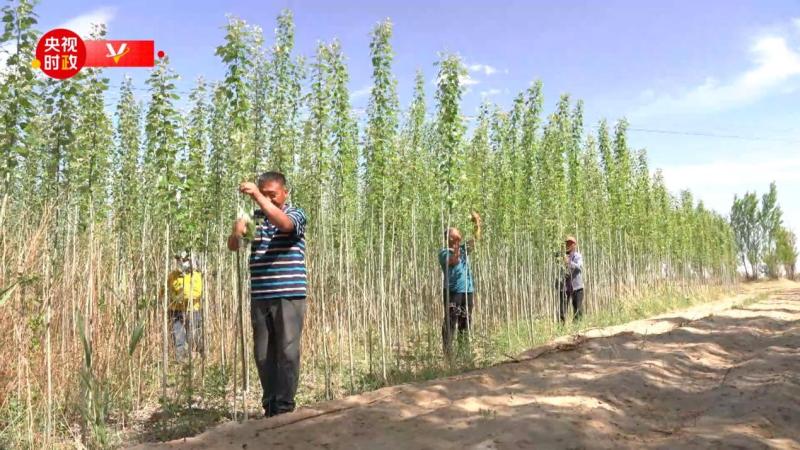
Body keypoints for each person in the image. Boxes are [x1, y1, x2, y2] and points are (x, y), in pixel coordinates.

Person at [228, 171, 308, 418]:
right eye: (264, 195)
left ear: (285, 192)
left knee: (287, 350)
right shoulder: (256, 218)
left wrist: (257, 197)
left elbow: (284, 224)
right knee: (263, 353)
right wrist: (236, 232)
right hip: (261, 294)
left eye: (272, 195)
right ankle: (270, 405)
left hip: (288, 295)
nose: (268, 200)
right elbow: (235, 246)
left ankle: (284, 406)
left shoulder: (296, 214)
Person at [439, 211, 481, 358]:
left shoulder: (462, 249)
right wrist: (457, 244)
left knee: (466, 321)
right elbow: (454, 261)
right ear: (449, 238)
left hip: (467, 291)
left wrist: (477, 223)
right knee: (451, 322)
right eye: (456, 234)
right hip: (453, 292)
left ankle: (464, 354)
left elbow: (475, 240)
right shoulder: (444, 253)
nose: (460, 235)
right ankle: (448, 356)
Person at [165, 251, 204, 361]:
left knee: (194, 336)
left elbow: (197, 292)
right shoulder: (172, 276)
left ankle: (199, 359)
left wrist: (183, 295)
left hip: (193, 310)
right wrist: (170, 295)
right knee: (178, 338)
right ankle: (180, 361)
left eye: (184, 260)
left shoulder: (195, 275)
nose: (181, 262)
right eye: (178, 259)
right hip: (175, 311)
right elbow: (164, 290)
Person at [559, 236, 584, 323]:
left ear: (574, 245)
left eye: (570, 243)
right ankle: (561, 327)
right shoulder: (561, 257)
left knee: (578, 308)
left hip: (577, 287)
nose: (568, 245)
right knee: (562, 309)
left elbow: (579, 267)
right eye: (567, 243)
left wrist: (569, 262)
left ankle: (577, 326)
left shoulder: (578, 256)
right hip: (565, 287)